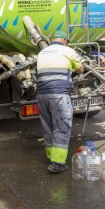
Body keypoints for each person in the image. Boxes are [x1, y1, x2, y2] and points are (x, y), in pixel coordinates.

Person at [36, 31, 84, 173]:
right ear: (64, 40)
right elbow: (80, 70)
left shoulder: (42, 53)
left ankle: (52, 157)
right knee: (61, 127)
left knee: (48, 127)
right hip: (59, 96)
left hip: (41, 95)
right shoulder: (68, 50)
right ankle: (57, 163)